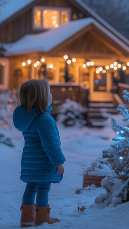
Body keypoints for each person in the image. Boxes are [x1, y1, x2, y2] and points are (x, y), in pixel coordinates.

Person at [13, 79, 65, 227]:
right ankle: (42, 218)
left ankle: (26, 218)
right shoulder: (44, 119)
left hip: (29, 160)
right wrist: (58, 162)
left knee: (31, 186)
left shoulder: (29, 118)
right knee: (43, 187)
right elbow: (51, 145)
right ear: (43, 97)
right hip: (43, 161)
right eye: (48, 92)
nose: (51, 95)